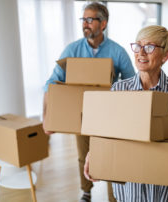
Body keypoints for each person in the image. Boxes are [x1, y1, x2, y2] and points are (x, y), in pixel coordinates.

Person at [84, 25, 168, 202]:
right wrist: (93, 154)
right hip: (128, 189)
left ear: (166, 55)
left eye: (149, 47)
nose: (141, 53)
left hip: (162, 188)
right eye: (138, 46)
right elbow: (106, 135)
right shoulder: (119, 89)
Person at [42, 2, 135, 202]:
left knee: (111, 156)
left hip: (109, 116)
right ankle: (86, 191)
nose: (85, 24)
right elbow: (51, 83)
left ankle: (115, 197)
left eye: (90, 19)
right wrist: (47, 118)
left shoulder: (117, 52)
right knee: (84, 156)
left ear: (103, 24)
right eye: (83, 19)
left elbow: (132, 84)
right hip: (81, 115)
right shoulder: (72, 49)